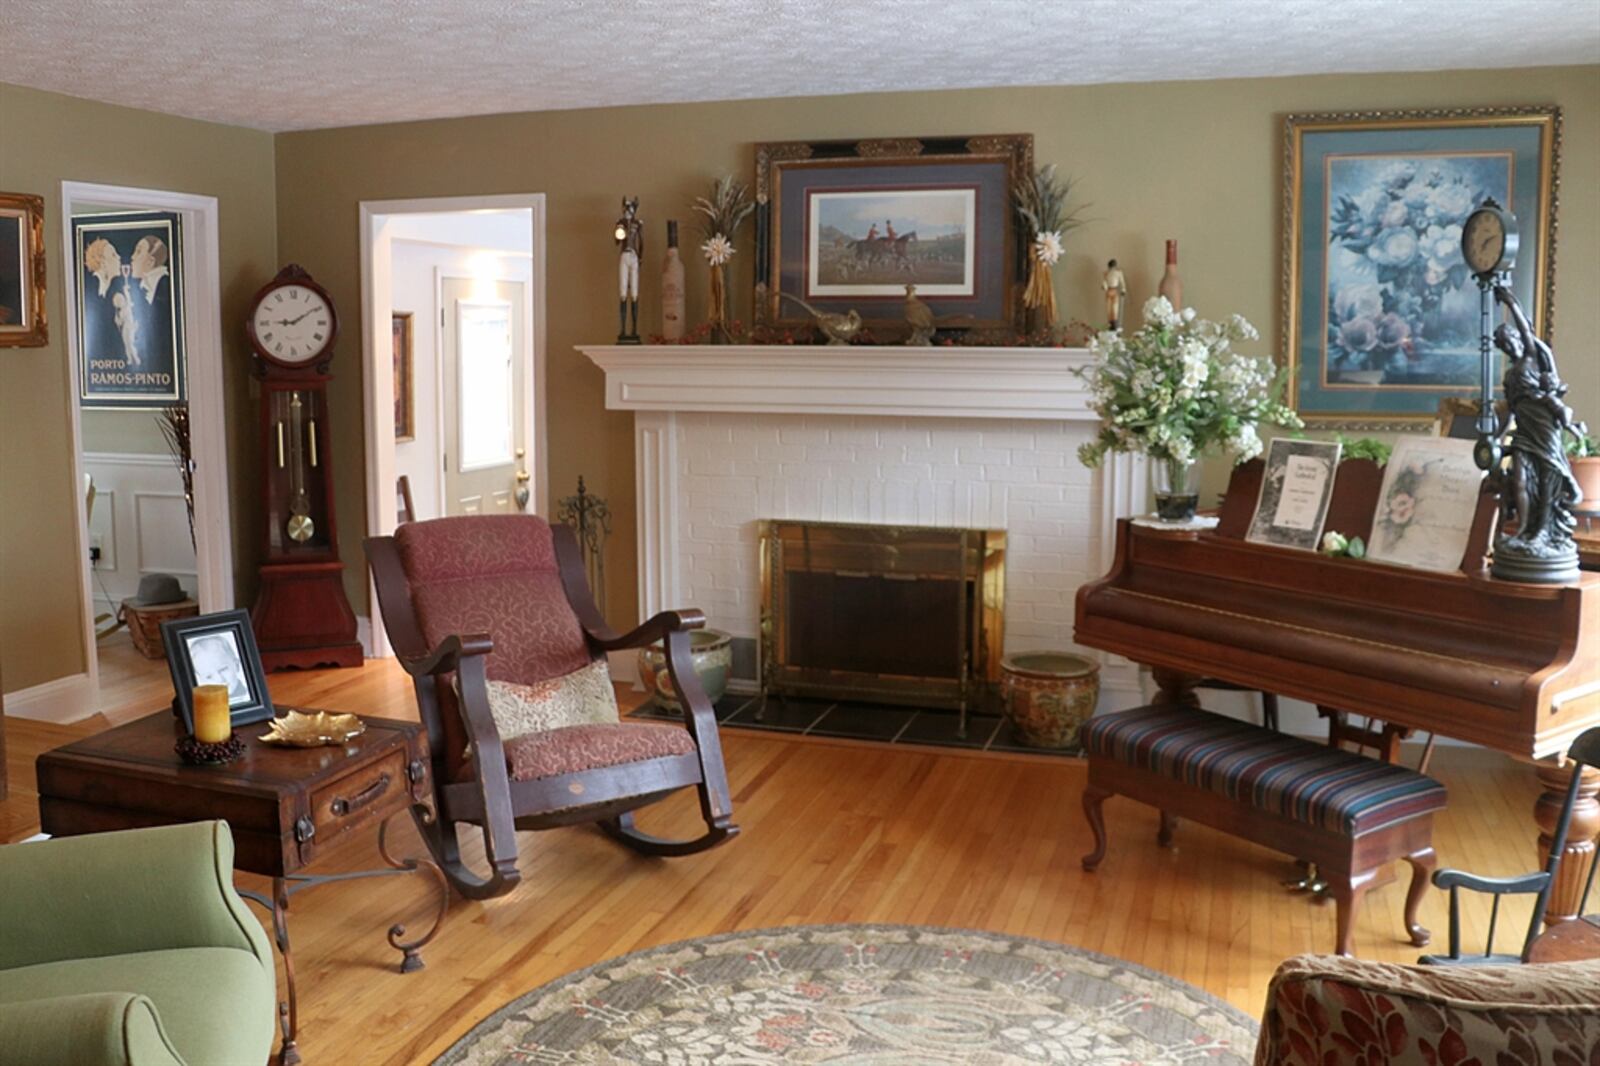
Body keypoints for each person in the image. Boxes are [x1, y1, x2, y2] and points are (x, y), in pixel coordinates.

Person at [190, 633, 250, 704]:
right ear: (201, 679)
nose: (220, 679)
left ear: (236, 665)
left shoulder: (248, 696)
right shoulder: (205, 704)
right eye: (209, 676)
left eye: (223, 669)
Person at [614, 197, 643, 341]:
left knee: (635, 293)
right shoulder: (621, 224)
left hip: (634, 256)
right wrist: (619, 230)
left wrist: (641, 257)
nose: (628, 211)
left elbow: (641, 241)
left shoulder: (637, 224)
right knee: (623, 292)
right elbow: (617, 241)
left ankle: (634, 329)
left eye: (630, 208)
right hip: (624, 256)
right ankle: (623, 329)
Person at [1102, 259, 1128, 330]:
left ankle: (1114, 323)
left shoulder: (1118, 273)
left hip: (1115, 291)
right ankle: (1110, 323)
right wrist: (1104, 286)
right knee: (1109, 308)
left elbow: (1122, 282)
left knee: (1114, 308)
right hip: (1109, 291)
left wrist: (1123, 289)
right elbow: (1105, 281)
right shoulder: (1106, 273)